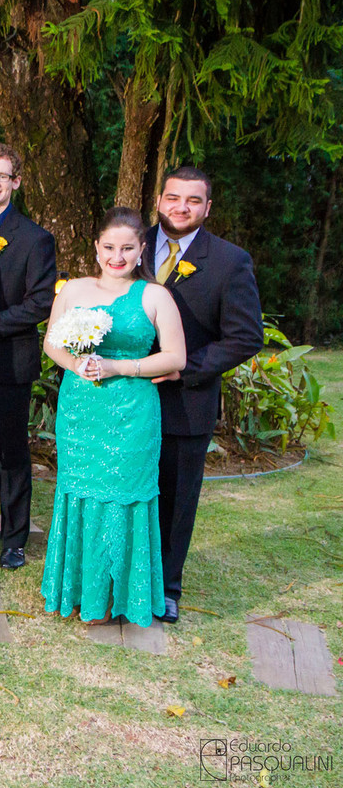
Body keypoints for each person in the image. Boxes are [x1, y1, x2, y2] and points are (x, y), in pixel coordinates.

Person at [40, 207, 186, 627]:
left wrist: (118, 367)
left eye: (127, 248)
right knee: (81, 491)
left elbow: (176, 356)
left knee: (125, 494)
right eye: (108, 247)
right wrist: (76, 365)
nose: (116, 256)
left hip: (133, 411)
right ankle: (81, 590)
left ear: (142, 249)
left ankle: (120, 596)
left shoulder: (155, 296)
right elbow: (52, 343)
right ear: (96, 247)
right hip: (81, 409)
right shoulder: (73, 290)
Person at [143, 167, 263, 623]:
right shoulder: (130, 247)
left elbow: (244, 337)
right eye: (173, 198)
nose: (181, 207)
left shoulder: (231, 262)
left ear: (207, 207)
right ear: (159, 201)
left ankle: (167, 586)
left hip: (186, 400)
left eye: (192, 200)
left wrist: (182, 369)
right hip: (124, 397)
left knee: (176, 497)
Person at [0, 143, 57, 569]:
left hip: (9, 359)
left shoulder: (36, 238)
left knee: (10, 450)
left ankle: (15, 538)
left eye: (2, 176)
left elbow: (39, 303)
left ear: (16, 181)